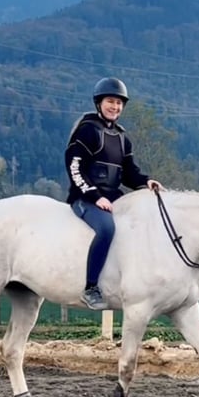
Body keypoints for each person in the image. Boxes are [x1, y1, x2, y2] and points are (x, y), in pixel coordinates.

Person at [65, 77, 164, 310]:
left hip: (113, 196)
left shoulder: (121, 137)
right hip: (84, 198)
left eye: (119, 103)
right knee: (107, 228)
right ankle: (90, 288)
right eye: (110, 101)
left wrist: (146, 181)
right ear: (99, 103)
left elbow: (129, 172)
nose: (115, 107)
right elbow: (74, 168)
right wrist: (94, 196)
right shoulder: (87, 131)